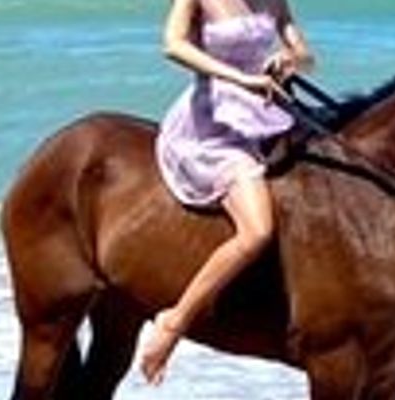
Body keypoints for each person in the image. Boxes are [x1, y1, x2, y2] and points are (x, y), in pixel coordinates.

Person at [138, 0, 314, 386]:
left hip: (266, 113)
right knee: (257, 231)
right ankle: (174, 321)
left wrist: (290, 59)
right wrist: (239, 78)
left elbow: (305, 54)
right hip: (213, 124)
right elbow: (173, 45)